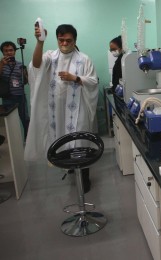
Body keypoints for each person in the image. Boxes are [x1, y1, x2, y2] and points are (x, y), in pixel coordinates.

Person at [24, 24, 99, 193]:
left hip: (78, 111)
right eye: (61, 40)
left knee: (79, 143)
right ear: (57, 39)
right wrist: (40, 42)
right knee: (62, 142)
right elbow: (36, 66)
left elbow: (93, 81)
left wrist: (76, 78)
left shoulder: (84, 59)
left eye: (69, 40)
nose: (64, 44)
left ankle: (85, 179)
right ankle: (71, 169)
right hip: (56, 111)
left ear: (75, 40)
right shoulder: (51, 56)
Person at [0, 41, 29, 139]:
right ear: (2, 52)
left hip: (20, 96)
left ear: (15, 51)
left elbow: (25, 82)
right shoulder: (1, 64)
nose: (9, 53)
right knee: (10, 122)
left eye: (11, 50)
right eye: (6, 51)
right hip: (7, 98)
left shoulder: (21, 65)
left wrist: (25, 75)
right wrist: (1, 65)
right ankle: (14, 144)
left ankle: (27, 141)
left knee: (26, 119)